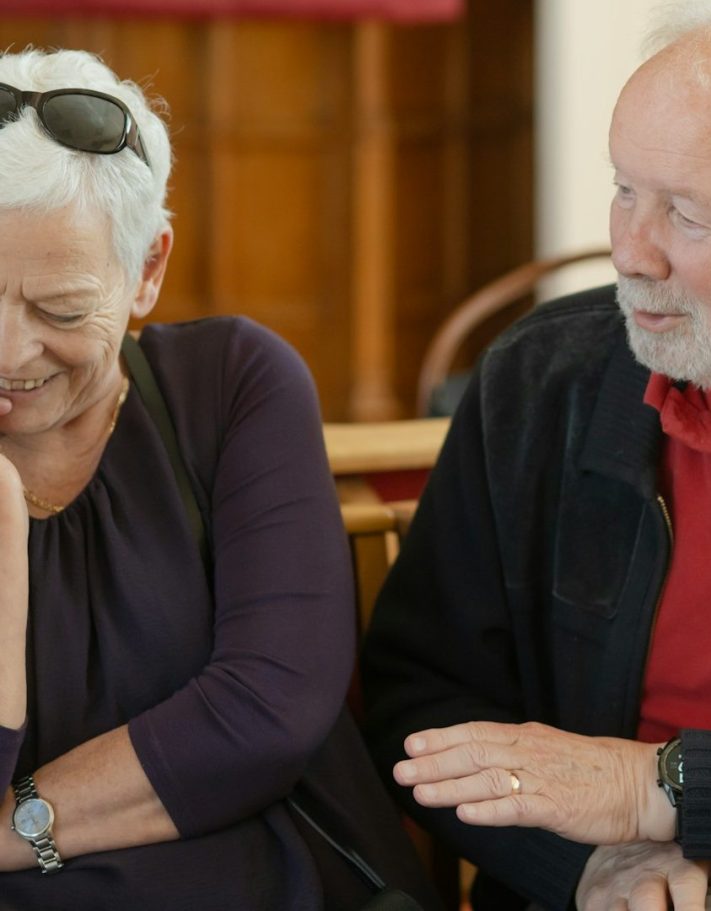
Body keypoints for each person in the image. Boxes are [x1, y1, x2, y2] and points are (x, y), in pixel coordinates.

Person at [360, 1, 711, 909]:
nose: (628, 252)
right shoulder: (541, 378)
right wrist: (587, 863)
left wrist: (660, 787)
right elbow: (421, 694)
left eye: (686, 216)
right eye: (624, 189)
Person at [0, 47, 419, 911]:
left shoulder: (230, 384)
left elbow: (267, 711)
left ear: (148, 269)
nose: (8, 352)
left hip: (266, 880)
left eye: (61, 309)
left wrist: (19, 825)